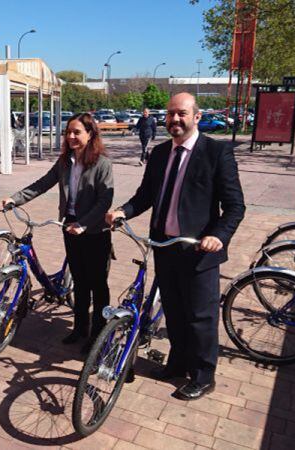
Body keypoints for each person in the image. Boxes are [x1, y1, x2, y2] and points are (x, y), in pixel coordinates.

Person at [106, 93, 245, 400]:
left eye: (181, 113)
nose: (174, 120)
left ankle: (204, 375)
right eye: (170, 114)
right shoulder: (158, 154)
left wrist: (218, 235)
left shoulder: (216, 153)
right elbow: (145, 196)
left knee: (201, 317)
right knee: (175, 311)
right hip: (165, 247)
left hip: (199, 251)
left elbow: (235, 207)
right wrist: (123, 211)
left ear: (196, 117)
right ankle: (178, 362)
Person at [3, 113, 113, 354]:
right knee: (80, 281)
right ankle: (80, 328)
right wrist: (15, 199)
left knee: (97, 284)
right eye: (68, 132)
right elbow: (43, 183)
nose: (71, 137)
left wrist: (84, 224)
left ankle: (98, 334)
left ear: (90, 134)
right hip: (70, 226)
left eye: (77, 132)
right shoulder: (65, 161)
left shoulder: (102, 163)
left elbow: (105, 200)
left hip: (94, 231)